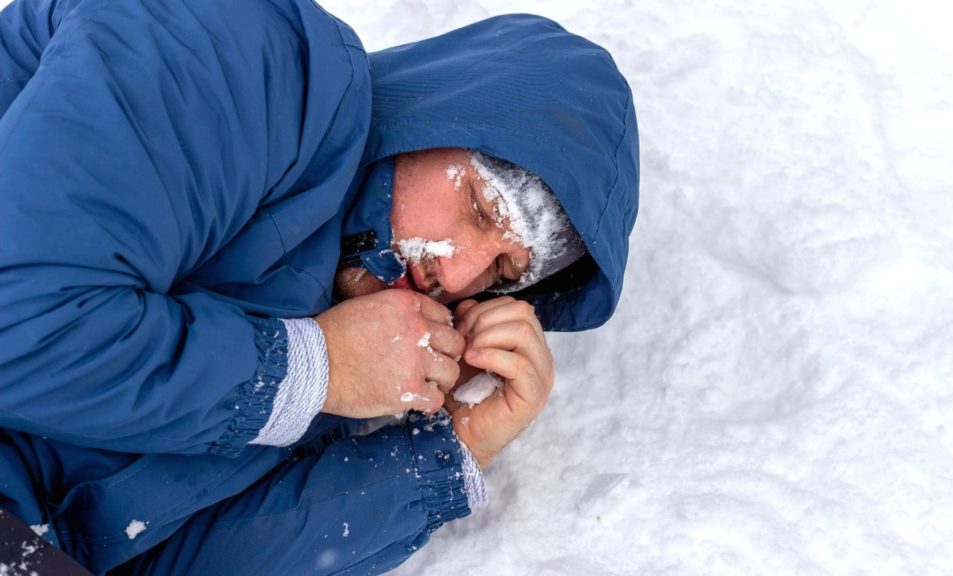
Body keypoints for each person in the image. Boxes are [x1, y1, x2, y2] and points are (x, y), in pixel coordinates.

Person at [0, 0, 639, 574]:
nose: (459, 272)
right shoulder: (245, 56)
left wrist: (450, 448)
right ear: (436, 115)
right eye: (478, 206)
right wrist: (307, 368)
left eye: (501, 273)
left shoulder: (345, 332)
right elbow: (17, 320)